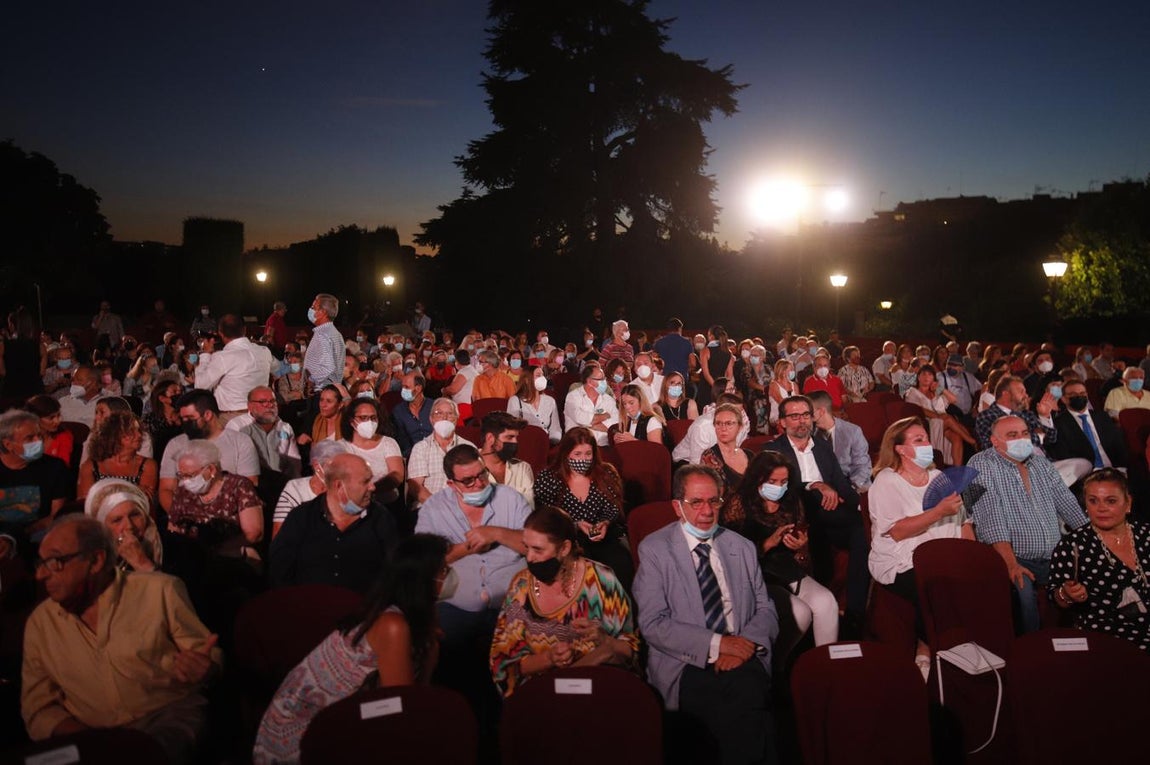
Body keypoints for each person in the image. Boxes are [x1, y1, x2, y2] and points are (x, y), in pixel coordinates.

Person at [22, 515, 220, 765]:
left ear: (95, 560)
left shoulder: (160, 591)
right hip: (87, 736)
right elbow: (38, 708)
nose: (41, 575)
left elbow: (207, 656)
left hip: (166, 718)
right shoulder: (41, 624)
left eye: (56, 562)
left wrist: (205, 668)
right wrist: (95, 742)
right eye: (40, 563)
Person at [254, 534, 450, 764]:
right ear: (423, 578)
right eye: (444, 571)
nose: (450, 577)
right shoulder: (393, 625)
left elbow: (410, 698)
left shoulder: (414, 619)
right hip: (303, 733)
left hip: (353, 712)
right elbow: (400, 707)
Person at [634, 465, 779, 765]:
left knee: (748, 698)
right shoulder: (655, 550)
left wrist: (744, 645)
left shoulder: (741, 547)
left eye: (714, 501)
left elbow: (765, 607)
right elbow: (653, 623)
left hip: (741, 654)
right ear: (677, 507)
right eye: (696, 502)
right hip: (684, 661)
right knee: (716, 710)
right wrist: (718, 644)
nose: (707, 511)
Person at [490, 506, 639, 697]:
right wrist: (548, 658)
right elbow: (503, 664)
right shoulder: (521, 586)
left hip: (595, 688)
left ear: (565, 548)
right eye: (526, 548)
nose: (529, 558)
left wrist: (604, 640)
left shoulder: (602, 580)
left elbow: (629, 650)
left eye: (538, 549)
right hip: (542, 694)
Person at [867, 418, 973, 674]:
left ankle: (944, 650)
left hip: (947, 555)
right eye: (919, 440)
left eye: (926, 438)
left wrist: (973, 559)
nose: (928, 444)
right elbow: (898, 531)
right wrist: (937, 512)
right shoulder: (887, 481)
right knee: (937, 590)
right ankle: (940, 654)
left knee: (982, 582)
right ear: (900, 449)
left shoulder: (939, 477)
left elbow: (964, 524)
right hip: (904, 560)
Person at [968, 415, 1088, 633]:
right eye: (1012, 435)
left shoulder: (1040, 463)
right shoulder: (980, 464)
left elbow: (1067, 503)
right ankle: (1028, 653)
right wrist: (1010, 563)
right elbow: (990, 516)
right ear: (995, 441)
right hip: (1013, 556)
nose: (1021, 439)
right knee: (1025, 603)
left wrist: (1093, 540)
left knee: (1085, 588)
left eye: (1024, 434)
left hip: (1053, 555)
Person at [765, 395, 869, 634]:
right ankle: (819, 610)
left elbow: (841, 486)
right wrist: (814, 485)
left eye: (805, 415)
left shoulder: (822, 447)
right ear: (782, 422)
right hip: (796, 512)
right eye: (794, 416)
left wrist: (862, 506)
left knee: (860, 529)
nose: (801, 421)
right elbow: (778, 490)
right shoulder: (772, 450)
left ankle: (854, 613)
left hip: (830, 512)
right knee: (818, 530)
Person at [722, 451, 838, 647]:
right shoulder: (739, 502)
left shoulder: (790, 500)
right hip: (756, 573)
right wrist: (767, 544)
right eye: (773, 481)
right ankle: (778, 666)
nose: (779, 487)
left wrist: (801, 548)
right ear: (757, 478)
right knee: (800, 612)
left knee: (827, 601)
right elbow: (730, 555)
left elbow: (803, 559)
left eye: (783, 482)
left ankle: (826, 665)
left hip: (787, 569)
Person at [1048, 469, 1149, 651]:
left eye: (1110, 501)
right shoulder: (1073, 545)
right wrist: (1066, 594)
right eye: (1093, 501)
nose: (1101, 508)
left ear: (1128, 504)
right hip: (1107, 637)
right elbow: (1056, 599)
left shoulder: (1146, 535)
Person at [270, 453, 397, 593]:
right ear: (339, 486)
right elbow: (280, 570)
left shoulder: (381, 519)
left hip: (363, 610)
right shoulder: (302, 517)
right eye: (365, 481)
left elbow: (394, 573)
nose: (372, 487)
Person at [534, 427, 632, 589]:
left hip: (606, 537)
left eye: (588, 454)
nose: (583, 459)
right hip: (568, 540)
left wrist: (604, 523)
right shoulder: (548, 478)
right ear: (566, 454)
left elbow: (614, 508)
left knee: (620, 564)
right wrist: (576, 524)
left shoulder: (606, 473)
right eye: (577, 454)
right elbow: (547, 516)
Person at [158, 389, 260, 512]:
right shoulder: (175, 444)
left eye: (190, 418)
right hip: (185, 515)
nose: (184, 423)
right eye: (183, 418)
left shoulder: (241, 442)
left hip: (228, 516)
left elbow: (249, 487)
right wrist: (179, 516)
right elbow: (166, 489)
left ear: (208, 415)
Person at [0, 410, 72, 539]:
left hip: (38, 535)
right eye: (30, 438)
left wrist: (17, 537)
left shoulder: (55, 467)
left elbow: (56, 515)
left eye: (39, 436)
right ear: (8, 444)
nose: (38, 441)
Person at [193, 314, 274, 423]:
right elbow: (277, 368)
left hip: (232, 419)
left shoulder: (222, 357)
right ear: (244, 330)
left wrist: (205, 354)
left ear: (220, 333)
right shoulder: (264, 351)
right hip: (261, 416)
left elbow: (200, 386)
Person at [83, 477, 163, 572]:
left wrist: (142, 564)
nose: (129, 526)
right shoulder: (91, 560)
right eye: (117, 520)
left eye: (134, 515)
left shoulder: (176, 546)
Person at [76, 410, 158, 501]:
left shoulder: (148, 465)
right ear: (114, 436)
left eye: (139, 431)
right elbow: (86, 500)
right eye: (131, 432)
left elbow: (144, 500)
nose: (139, 435)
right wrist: (132, 489)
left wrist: (102, 493)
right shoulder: (91, 466)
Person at [1046, 379, 1128, 470]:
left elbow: (1118, 446)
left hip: (1114, 469)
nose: (1079, 397)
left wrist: (1123, 468)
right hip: (1086, 473)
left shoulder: (1102, 417)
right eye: (1073, 395)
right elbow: (1065, 456)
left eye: (1082, 394)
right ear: (1064, 399)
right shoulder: (1059, 424)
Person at [905, 365, 975, 466]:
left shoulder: (936, 392)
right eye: (923, 374)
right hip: (926, 424)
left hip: (944, 423)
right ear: (918, 377)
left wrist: (940, 389)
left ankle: (957, 470)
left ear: (933, 378)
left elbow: (953, 400)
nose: (926, 377)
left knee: (956, 437)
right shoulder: (912, 392)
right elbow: (919, 409)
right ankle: (970, 440)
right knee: (946, 417)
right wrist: (939, 417)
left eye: (930, 374)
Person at [808, 390, 872, 492]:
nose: (804, 416)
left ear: (821, 412)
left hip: (851, 485)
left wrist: (849, 490)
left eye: (808, 412)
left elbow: (862, 466)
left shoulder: (852, 431)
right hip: (821, 488)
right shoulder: (808, 434)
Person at [341, 397, 404, 499]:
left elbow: (397, 474)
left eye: (373, 418)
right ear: (352, 421)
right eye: (363, 418)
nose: (369, 422)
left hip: (387, 503)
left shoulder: (388, 443)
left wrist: (372, 489)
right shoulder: (341, 447)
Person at [478, 411, 535, 507]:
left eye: (516, 438)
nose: (515, 442)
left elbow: (528, 508)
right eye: (510, 437)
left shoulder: (523, 468)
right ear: (490, 438)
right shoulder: (466, 467)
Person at [700, 403, 751, 493]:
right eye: (718, 423)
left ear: (740, 427)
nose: (723, 428)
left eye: (729, 423)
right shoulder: (709, 456)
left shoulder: (750, 455)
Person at [563, 364, 619, 447]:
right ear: (589, 382)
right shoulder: (573, 397)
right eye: (601, 379)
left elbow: (615, 423)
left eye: (604, 379)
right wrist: (605, 416)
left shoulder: (608, 399)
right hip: (578, 445)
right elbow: (580, 418)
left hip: (604, 445)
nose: (605, 382)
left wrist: (587, 426)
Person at [507, 367, 562, 443]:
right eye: (538, 375)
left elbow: (555, 428)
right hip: (525, 442)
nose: (542, 378)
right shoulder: (515, 400)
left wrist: (553, 442)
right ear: (526, 380)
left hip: (546, 442)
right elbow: (511, 428)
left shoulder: (550, 400)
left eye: (543, 375)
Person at [302, 293, 345, 392]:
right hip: (331, 391)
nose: (310, 310)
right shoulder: (335, 333)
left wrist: (311, 380)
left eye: (313, 307)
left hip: (321, 391)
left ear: (323, 312)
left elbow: (328, 366)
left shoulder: (323, 334)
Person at [25, 395, 73, 467]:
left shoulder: (64, 436)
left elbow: (62, 469)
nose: (57, 421)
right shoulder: (23, 436)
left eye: (58, 415)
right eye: (51, 418)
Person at [698, 325, 733, 407]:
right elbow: (730, 375)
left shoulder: (705, 350)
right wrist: (723, 388)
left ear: (711, 336)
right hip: (721, 388)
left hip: (706, 388)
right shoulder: (728, 352)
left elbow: (706, 374)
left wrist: (715, 387)